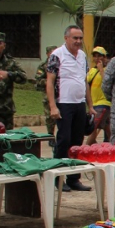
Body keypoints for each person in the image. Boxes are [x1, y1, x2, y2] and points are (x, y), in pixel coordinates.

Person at [46, 25, 96, 192]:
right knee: (64, 140)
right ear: (66, 38)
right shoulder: (57, 55)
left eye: (80, 38)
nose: (78, 41)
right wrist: (53, 106)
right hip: (64, 103)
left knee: (77, 142)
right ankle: (58, 178)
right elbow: (50, 82)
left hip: (79, 103)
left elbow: (85, 82)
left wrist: (90, 105)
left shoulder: (82, 56)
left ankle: (74, 178)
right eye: (75, 38)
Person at [85, 46, 111, 145]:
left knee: (93, 128)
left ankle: (86, 148)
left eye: (99, 56)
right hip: (94, 104)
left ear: (104, 57)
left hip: (103, 103)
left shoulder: (108, 69)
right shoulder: (92, 71)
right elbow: (86, 83)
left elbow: (107, 83)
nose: (97, 58)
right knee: (108, 129)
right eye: (95, 56)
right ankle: (114, 147)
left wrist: (101, 70)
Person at [35, 45, 58, 135]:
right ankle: (50, 134)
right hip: (48, 95)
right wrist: (50, 81)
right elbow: (38, 80)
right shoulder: (43, 66)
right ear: (47, 54)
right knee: (49, 116)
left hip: (61, 95)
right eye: (51, 53)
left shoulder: (61, 64)